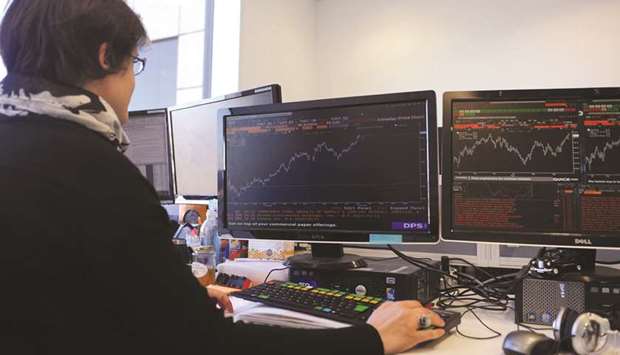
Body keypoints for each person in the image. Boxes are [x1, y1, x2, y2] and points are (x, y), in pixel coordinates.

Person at [0, 1, 445, 354]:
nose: (133, 86)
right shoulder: (93, 171)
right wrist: (372, 338)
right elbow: (208, 346)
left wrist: (171, 302)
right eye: (133, 64)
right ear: (104, 56)